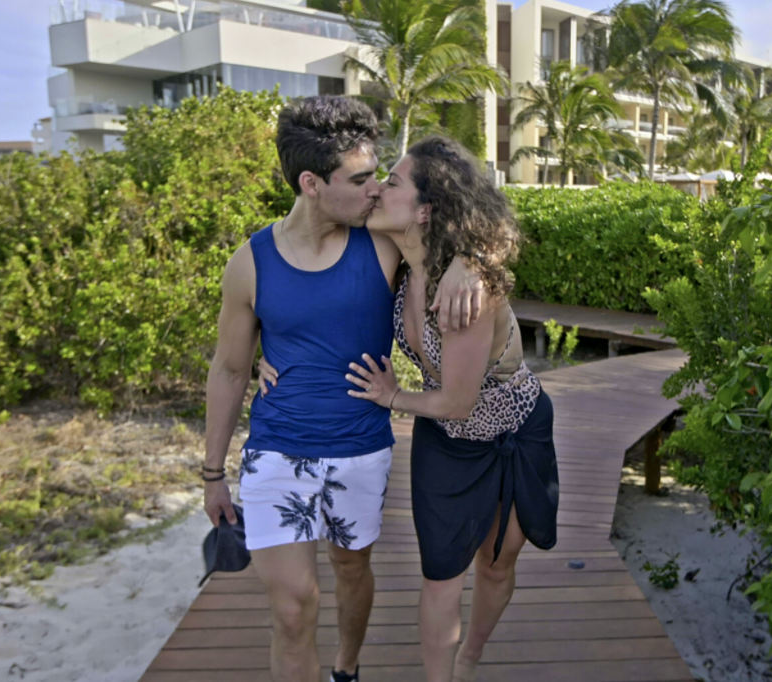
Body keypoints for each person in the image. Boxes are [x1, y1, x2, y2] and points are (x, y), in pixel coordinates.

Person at [203, 98, 483, 682]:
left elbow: (476, 219)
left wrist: (473, 263)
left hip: (361, 448)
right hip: (277, 447)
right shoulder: (249, 264)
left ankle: (347, 667)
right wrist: (212, 473)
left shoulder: (381, 242)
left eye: (377, 174)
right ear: (311, 183)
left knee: (351, 570)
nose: (376, 188)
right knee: (293, 606)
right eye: (360, 179)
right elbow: (230, 369)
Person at [262, 136, 560, 682]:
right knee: (441, 574)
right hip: (445, 439)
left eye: (391, 182)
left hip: (514, 430)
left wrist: (394, 395)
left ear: (426, 208)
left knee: (496, 566)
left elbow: (459, 399)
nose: (377, 190)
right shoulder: (397, 258)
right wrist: (271, 354)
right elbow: (314, 291)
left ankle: (470, 654)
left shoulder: (469, 290)